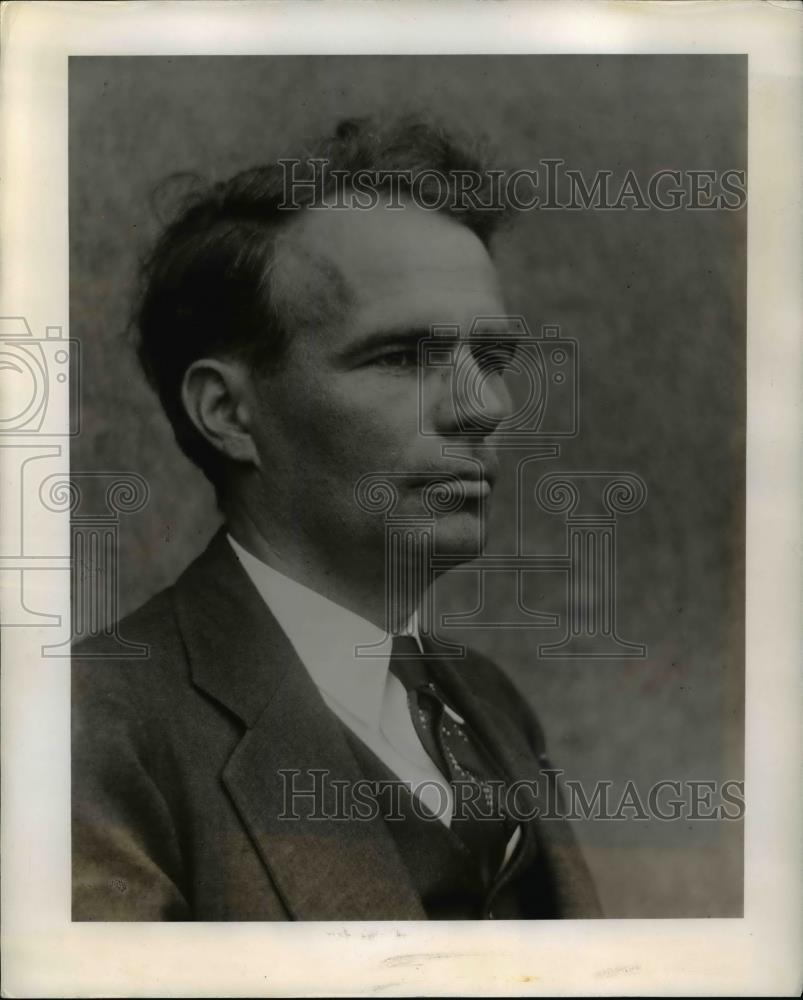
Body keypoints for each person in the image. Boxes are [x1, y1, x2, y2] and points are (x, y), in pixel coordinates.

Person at [72, 115, 601, 920]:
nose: (484, 407)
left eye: (490, 360)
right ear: (228, 413)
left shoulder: (487, 702)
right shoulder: (86, 734)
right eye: (402, 358)